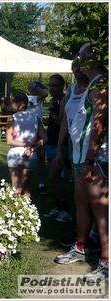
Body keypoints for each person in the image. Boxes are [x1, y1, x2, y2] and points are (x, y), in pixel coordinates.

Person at [54, 42, 108, 283]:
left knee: (101, 206)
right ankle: (81, 246)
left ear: (94, 59)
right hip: (79, 155)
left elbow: (99, 125)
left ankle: (106, 261)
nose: (79, 60)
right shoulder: (90, 86)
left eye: (83, 56)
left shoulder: (102, 84)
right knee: (81, 200)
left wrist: (90, 159)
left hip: (95, 157)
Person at [54, 56, 100, 250]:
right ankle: (83, 237)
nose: (77, 69)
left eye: (80, 66)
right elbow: (65, 121)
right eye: (74, 67)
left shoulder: (96, 89)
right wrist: (59, 149)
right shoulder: (71, 91)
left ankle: (94, 236)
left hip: (93, 150)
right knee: (80, 197)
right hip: (75, 150)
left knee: (96, 199)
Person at [41, 74, 73, 222]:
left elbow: (61, 121)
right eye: (50, 85)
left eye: (55, 85)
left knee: (54, 176)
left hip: (61, 145)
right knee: (53, 179)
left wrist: (52, 110)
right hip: (51, 143)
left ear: (62, 86)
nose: (52, 88)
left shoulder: (63, 100)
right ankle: (58, 207)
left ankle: (65, 211)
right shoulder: (54, 100)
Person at [5, 92, 47, 199]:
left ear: (18, 104)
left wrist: (25, 144)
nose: (11, 104)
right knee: (26, 187)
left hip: (14, 154)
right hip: (30, 154)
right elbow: (45, 138)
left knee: (16, 188)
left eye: (12, 102)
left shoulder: (12, 118)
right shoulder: (35, 118)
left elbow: (9, 141)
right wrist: (32, 147)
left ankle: (16, 213)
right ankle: (28, 211)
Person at [27, 81, 48, 196]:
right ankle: (25, 184)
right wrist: (35, 87)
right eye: (39, 89)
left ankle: (41, 183)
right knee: (28, 158)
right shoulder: (30, 98)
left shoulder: (37, 101)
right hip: (29, 132)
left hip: (38, 132)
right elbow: (45, 94)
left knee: (41, 157)